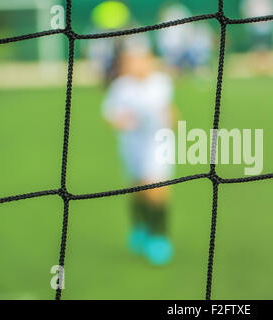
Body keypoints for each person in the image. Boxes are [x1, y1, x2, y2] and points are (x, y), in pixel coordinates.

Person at [102, 34, 175, 266]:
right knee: (138, 187)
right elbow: (111, 116)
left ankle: (159, 236)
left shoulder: (161, 82)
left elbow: (169, 111)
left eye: (140, 59)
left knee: (157, 188)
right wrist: (124, 121)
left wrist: (170, 118)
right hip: (132, 144)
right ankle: (139, 226)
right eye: (130, 60)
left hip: (158, 142)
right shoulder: (121, 87)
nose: (136, 64)